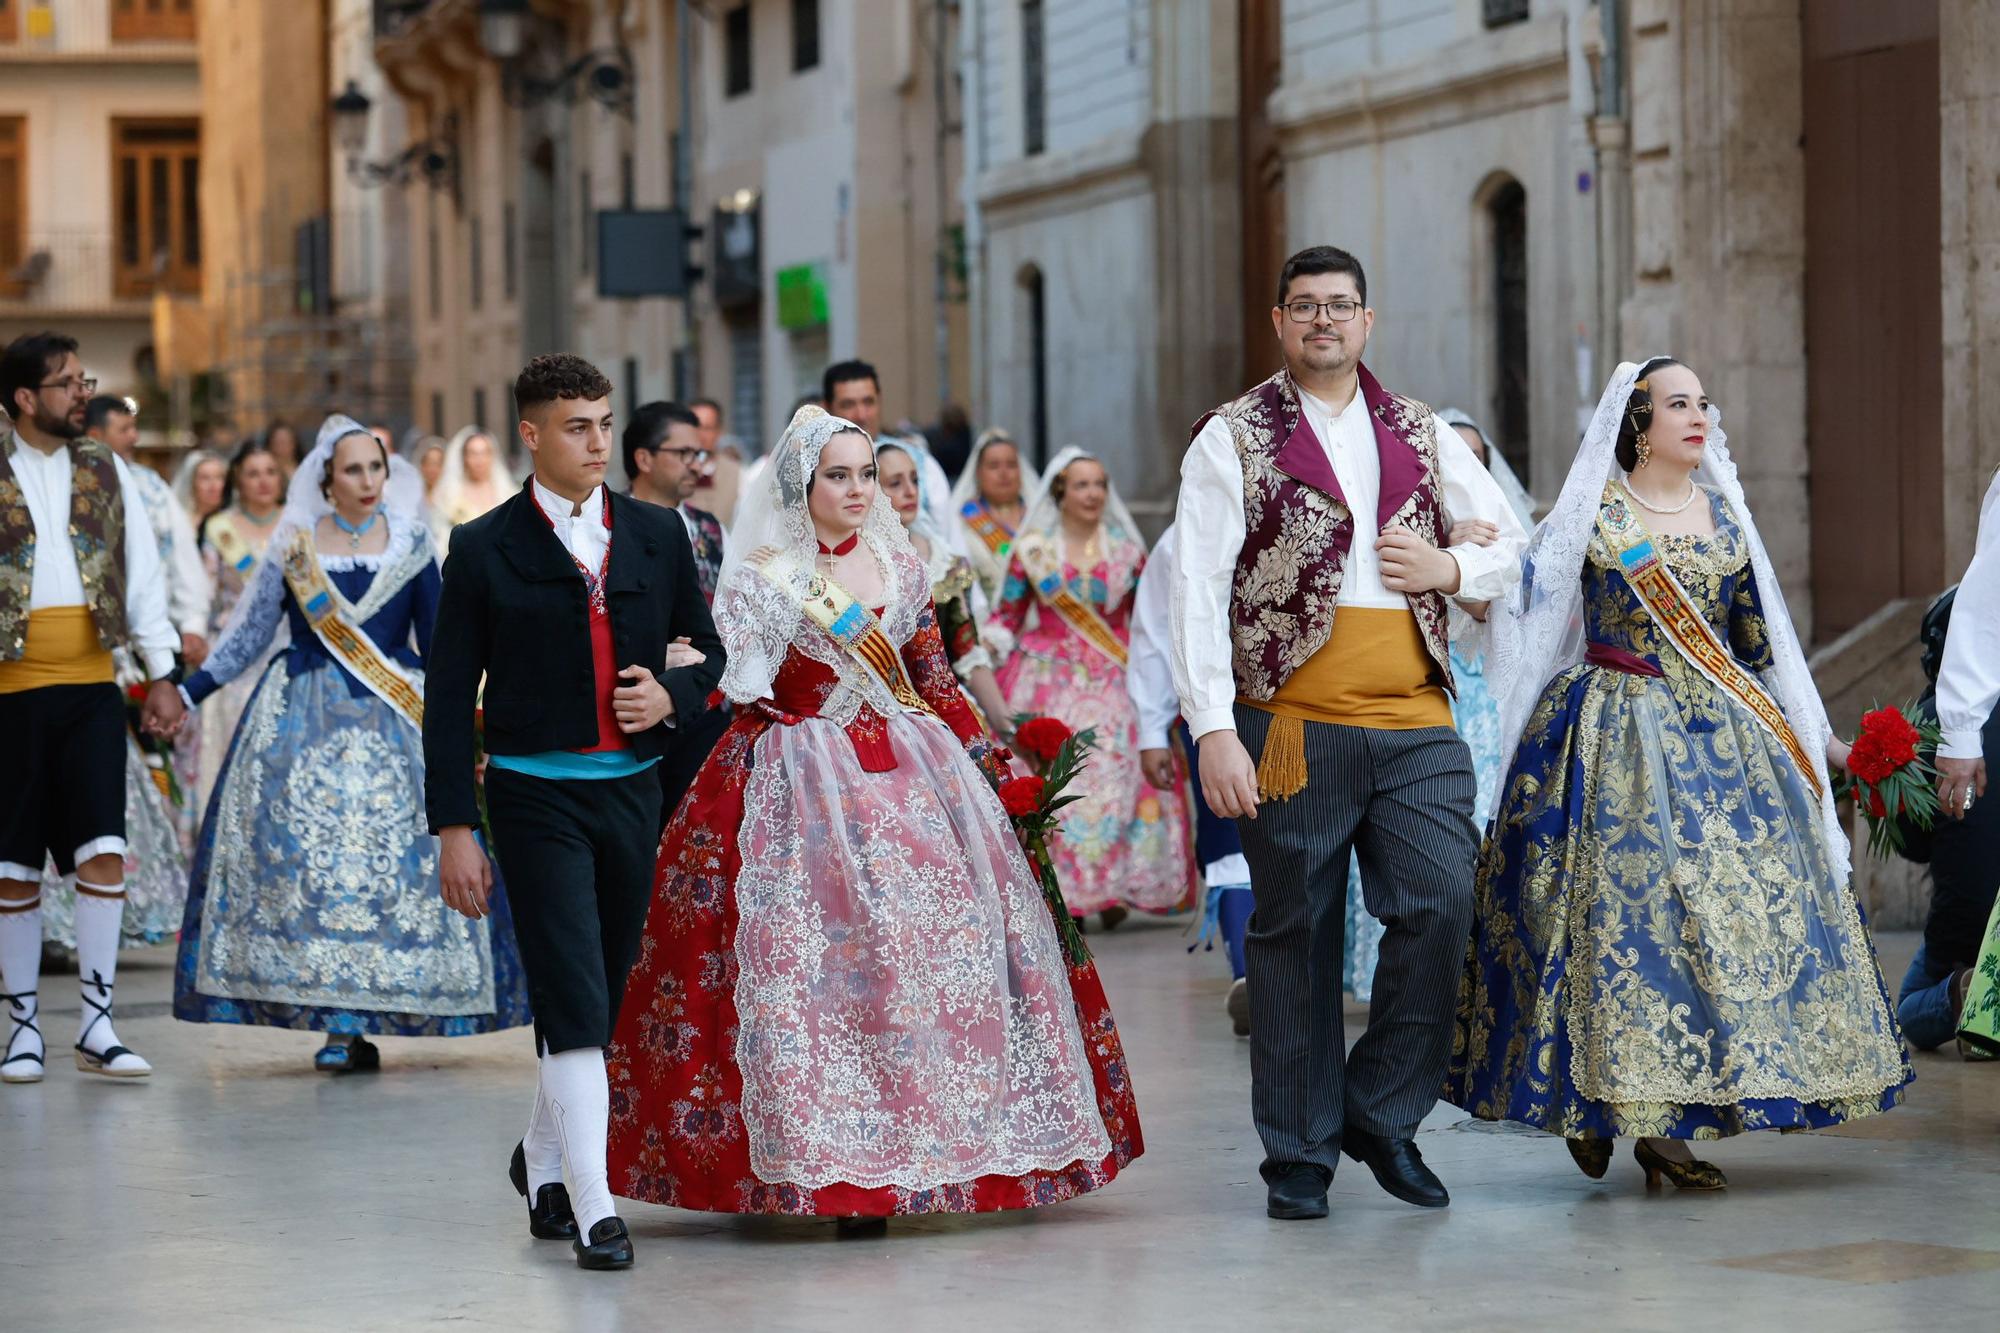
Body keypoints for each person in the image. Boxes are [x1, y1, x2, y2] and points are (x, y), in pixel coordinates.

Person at [603, 405, 1141, 1229]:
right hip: (801, 785)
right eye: (838, 476)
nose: (857, 490)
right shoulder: (764, 575)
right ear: (802, 486)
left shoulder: (904, 568)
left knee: (937, 963)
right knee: (821, 972)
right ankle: (836, 1169)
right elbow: (732, 684)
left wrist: (999, 773)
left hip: (918, 782)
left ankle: (942, 1147)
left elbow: (936, 682)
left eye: (866, 474)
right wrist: (689, 689)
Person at [1447, 357, 1912, 1189]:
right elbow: (1522, 597)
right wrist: (1457, 567)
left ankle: (1660, 1123)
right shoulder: (1594, 515)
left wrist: (1826, 744)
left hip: (1723, 745)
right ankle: (1597, 1102)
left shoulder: (1728, 522)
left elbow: (1762, 652)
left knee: (1712, 926)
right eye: (1678, 404)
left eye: (1703, 403)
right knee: (1613, 924)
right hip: (1610, 733)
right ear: (1637, 422)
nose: (1699, 416)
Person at [1170, 246, 1528, 1220]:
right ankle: (1297, 1153)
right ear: (1279, 322)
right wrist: (1210, 726)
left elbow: (1509, 541)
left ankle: (1377, 1108)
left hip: (1415, 717)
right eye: (1304, 306)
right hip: (1288, 721)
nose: (1322, 320)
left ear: (1366, 321)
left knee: (1443, 902)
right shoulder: (1231, 437)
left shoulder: (1418, 428)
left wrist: (1448, 570)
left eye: (1340, 306)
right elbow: (1194, 588)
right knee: (1296, 937)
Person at [426, 355, 724, 1272]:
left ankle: (543, 1161)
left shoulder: (654, 532)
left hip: (633, 788)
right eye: (575, 426)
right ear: (530, 433)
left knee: (603, 991)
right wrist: (454, 827)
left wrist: (668, 696)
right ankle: (597, 1209)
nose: (597, 442)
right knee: (574, 997)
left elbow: (709, 652)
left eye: (603, 423)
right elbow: (444, 699)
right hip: (531, 790)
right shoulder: (482, 546)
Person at [156, 415, 530, 1072]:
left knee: (398, 870)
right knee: (311, 872)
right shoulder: (294, 545)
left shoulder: (413, 542)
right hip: (300, 722)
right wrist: (188, 693)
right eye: (352, 469)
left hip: (393, 724)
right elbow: (247, 637)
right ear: (326, 480)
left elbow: (442, 647)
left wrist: (479, 718)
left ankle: (395, 1000)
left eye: (375, 468)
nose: (366, 481)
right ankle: (335, 1021)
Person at [0, 331, 186, 1084]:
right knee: (12, 866)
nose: (83, 392)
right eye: (67, 382)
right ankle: (19, 1029)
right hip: (8, 693)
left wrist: (163, 670)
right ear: (24, 399)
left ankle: (98, 1025)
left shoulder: (105, 468)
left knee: (102, 851)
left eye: (83, 379)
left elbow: (141, 574)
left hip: (90, 688)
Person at [1341, 408, 1531, 1002]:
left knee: (1479, 832)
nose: (1468, 470)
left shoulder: (1492, 534)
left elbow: (1498, 612)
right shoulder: (1392, 519)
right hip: (1413, 690)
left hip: (1481, 699)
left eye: (1478, 460)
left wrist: (1459, 565)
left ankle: (1481, 975)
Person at [991, 448, 1197, 922]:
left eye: (1100, 484)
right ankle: (1067, 890)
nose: (1093, 494)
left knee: (1120, 779)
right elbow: (1008, 614)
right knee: (1061, 782)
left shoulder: (1127, 552)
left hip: (1115, 680)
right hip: (1047, 678)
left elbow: (1148, 617)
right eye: (1081, 485)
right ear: (1060, 493)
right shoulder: (1034, 551)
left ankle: (1114, 886)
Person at [1128, 522, 1254, 1033]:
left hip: (1311, 710)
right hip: (1214, 713)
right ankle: (1249, 976)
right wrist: (1151, 730)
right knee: (1229, 835)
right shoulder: (1180, 536)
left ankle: (1299, 979)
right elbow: (1156, 633)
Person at [624, 400, 732, 828]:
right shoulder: (609, 526)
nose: (695, 465)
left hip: (705, 707)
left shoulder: (710, 527)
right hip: (633, 707)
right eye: (684, 453)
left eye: (699, 453)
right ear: (644, 458)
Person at [1922, 466, 2000, 1054]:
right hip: (1963, 931)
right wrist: (1962, 735)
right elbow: (1984, 606)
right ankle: (1962, 997)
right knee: (1922, 994)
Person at [875, 434, 1012, 731]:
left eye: (914, 480)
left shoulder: (944, 561)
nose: (911, 491)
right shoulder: (859, 564)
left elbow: (966, 652)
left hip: (944, 709)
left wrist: (1007, 725)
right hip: (882, 715)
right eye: (895, 483)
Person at [193, 440, 288, 810]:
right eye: (253, 473)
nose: (263, 481)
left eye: (270, 472)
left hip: (286, 649)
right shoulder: (221, 528)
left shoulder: (300, 525)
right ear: (238, 480)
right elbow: (204, 590)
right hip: (236, 652)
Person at [949, 428, 1039, 609]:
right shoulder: (963, 522)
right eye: (994, 466)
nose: (1004, 473)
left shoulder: (1038, 518)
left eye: (1011, 465)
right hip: (987, 623)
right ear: (978, 473)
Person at [432, 427, 517, 538]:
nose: (479, 460)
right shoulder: (450, 494)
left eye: (484, 453)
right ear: (464, 457)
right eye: (473, 453)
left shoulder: (506, 492)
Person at [689, 397, 742, 532]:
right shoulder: (675, 471)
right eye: (695, 427)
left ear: (719, 431)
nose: (701, 435)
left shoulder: (736, 472)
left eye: (707, 428)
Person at [175, 449, 228, 529]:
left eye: (219, 477)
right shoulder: (182, 523)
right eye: (205, 478)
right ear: (192, 483)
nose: (214, 486)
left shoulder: (234, 521)